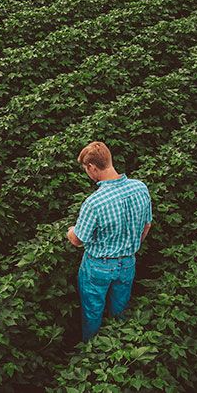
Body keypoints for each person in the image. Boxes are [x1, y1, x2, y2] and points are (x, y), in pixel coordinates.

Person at [66, 141, 151, 342]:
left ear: (92, 168)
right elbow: (147, 225)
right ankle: (118, 345)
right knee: (120, 309)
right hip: (128, 261)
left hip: (98, 266)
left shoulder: (94, 202)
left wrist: (70, 231)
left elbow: (78, 240)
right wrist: (131, 246)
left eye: (87, 170)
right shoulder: (140, 188)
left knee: (92, 311)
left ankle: (91, 349)